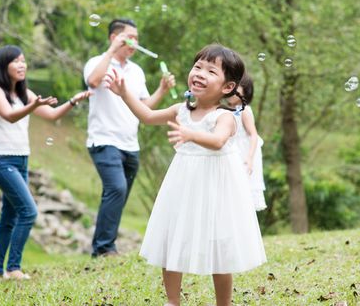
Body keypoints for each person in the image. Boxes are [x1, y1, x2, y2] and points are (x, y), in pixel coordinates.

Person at [104, 43, 266, 306]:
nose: (200, 73)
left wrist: (191, 134)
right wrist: (124, 94)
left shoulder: (225, 116)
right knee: (172, 238)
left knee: (219, 244)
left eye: (211, 71)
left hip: (215, 188)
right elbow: (146, 115)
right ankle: (172, 301)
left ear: (227, 87)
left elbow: (218, 142)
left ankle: (223, 303)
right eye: (197, 67)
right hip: (183, 183)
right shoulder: (182, 110)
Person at [0, 45, 91, 279]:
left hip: (21, 158)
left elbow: (52, 115)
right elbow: (10, 116)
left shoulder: (24, 93)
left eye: (24, 61)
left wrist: (73, 101)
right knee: (29, 211)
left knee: (9, 216)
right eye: (16, 61)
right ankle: (13, 268)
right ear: (4, 65)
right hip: (0, 159)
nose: (22, 65)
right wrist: (33, 106)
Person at [83, 18, 175, 257]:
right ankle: (104, 249)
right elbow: (93, 81)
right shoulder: (97, 63)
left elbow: (145, 108)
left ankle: (103, 244)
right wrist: (112, 51)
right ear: (115, 37)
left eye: (137, 38)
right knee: (116, 187)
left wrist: (162, 90)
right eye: (129, 37)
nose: (134, 43)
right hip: (104, 140)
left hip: (130, 142)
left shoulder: (136, 71)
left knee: (119, 194)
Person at [226, 73, 267, 211]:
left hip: (244, 153)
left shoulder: (244, 110)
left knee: (243, 187)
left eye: (236, 88)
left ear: (245, 91)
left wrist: (249, 158)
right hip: (231, 151)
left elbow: (253, 135)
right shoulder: (226, 109)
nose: (232, 91)